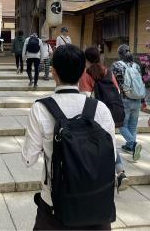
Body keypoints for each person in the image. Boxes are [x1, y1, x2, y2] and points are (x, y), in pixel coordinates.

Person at [23, 44, 116, 230]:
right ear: (83, 71)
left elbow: (28, 160)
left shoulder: (40, 109)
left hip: (54, 208)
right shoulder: (100, 108)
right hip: (97, 207)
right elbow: (112, 157)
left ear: (54, 71)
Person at [79, 46, 128, 192]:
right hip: (111, 114)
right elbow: (117, 91)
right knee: (110, 142)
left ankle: (102, 178)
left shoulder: (86, 74)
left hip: (95, 115)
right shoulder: (108, 71)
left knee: (96, 146)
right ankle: (120, 172)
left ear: (86, 59)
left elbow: (85, 99)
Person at [111, 44, 144, 162]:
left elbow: (113, 84)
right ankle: (130, 147)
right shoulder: (136, 66)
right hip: (138, 98)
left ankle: (133, 144)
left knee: (121, 125)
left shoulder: (116, 65)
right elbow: (140, 82)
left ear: (120, 54)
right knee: (132, 125)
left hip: (124, 99)